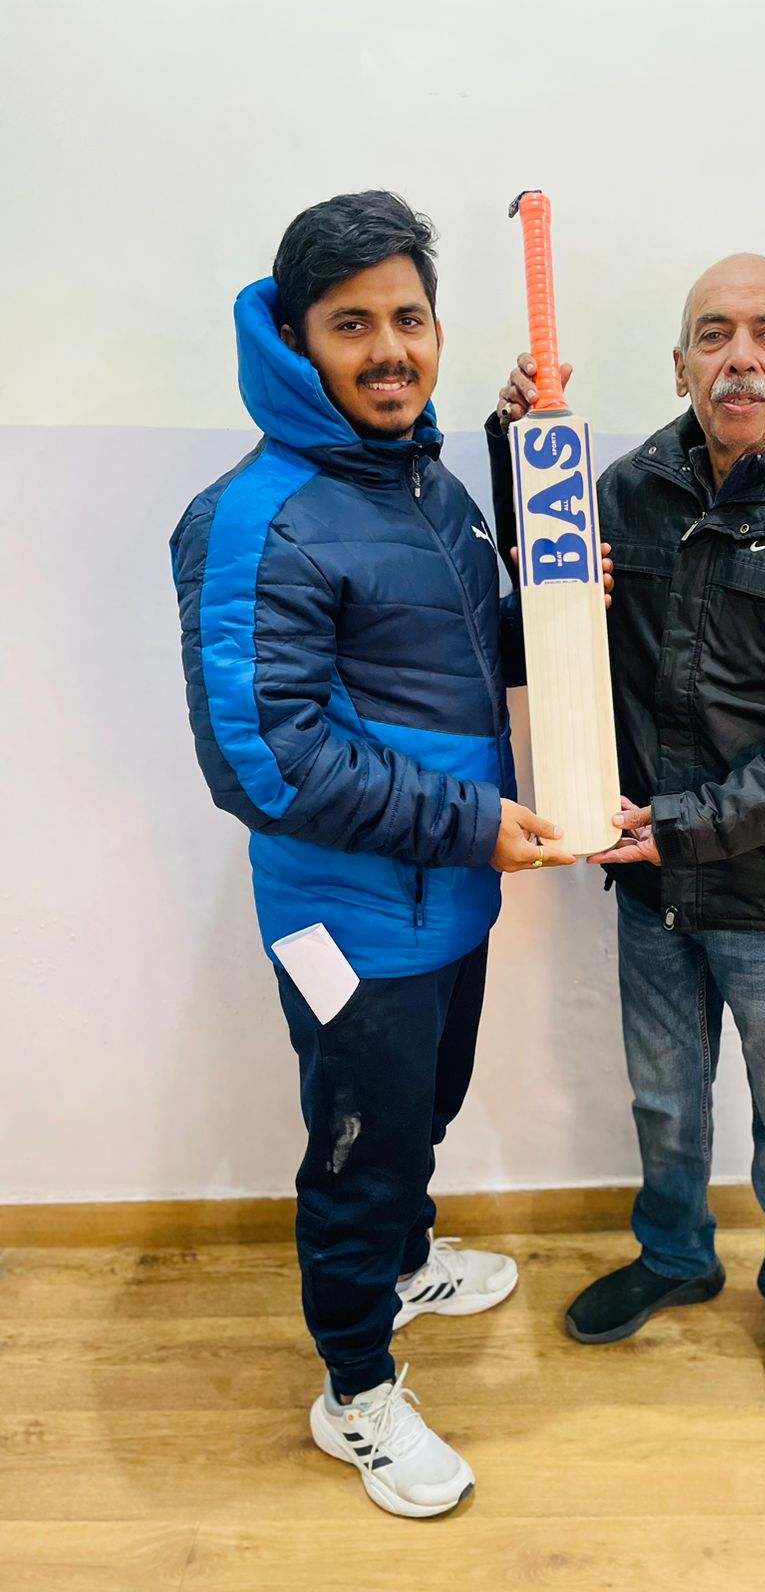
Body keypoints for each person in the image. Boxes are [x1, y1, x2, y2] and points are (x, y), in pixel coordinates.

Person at [171, 191, 610, 1518]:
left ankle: (407, 1264)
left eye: (407, 318)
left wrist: (541, 531)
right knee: (360, 1155)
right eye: (351, 323)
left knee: (426, 1111)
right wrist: (473, 823)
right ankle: (354, 1390)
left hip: (450, 900)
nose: (388, 349)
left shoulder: (424, 483)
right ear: (297, 341)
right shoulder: (254, 516)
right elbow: (264, 761)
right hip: (352, 922)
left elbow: (444, 644)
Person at [491, 253, 765, 1424]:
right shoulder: (630, 488)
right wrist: (514, 448)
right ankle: (678, 1256)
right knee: (666, 1101)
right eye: (715, 334)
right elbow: (544, 622)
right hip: (652, 881)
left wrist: (692, 824)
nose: (741, 357)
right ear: (681, 363)